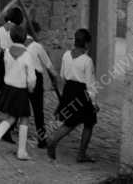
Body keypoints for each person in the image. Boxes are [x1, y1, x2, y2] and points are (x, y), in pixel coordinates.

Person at [46, 28, 98, 164]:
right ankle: (78, 152)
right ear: (86, 44)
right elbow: (90, 84)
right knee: (88, 122)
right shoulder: (87, 61)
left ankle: (55, 140)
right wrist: (94, 103)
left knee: (70, 120)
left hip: (69, 89)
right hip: (82, 93)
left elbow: (62, 75)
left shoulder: (66, 55)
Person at [0, 25, 36, 160]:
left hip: (8, 88)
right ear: (25, 38)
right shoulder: (27, 55)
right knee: (24, 118)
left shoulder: (7, 52)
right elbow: (31, 77)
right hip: (21, 90)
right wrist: (31, 88)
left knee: (10, 117)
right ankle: (21, 151)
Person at [0, 6, 24, 136]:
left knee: (4, 89)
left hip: (2, 57)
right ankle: (6, 121)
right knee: (10, 89)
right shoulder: (17, 30)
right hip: (12, 57)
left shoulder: (1, 28)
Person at [26, 22, 58, 148]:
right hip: (35, 77)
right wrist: (55, 77)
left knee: (20, 105)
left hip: (23, 75)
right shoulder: (37, 46)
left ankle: (8, 131)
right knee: (38, 110)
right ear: (36, 32)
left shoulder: (20, 43)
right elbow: (48, 64)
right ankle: (41, 139)